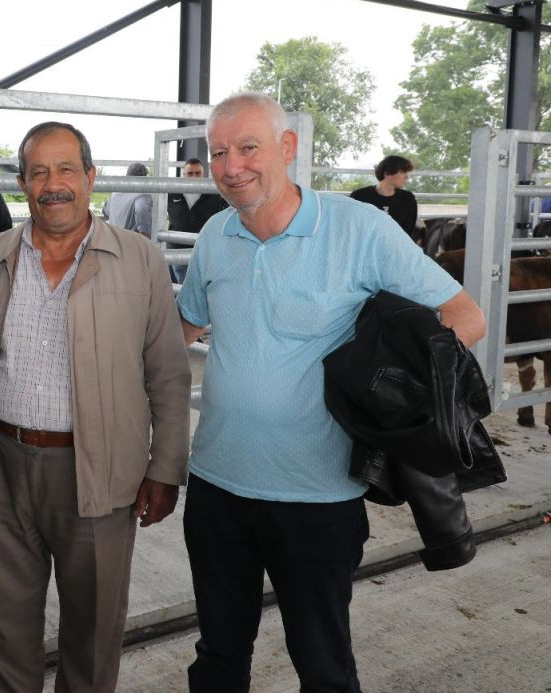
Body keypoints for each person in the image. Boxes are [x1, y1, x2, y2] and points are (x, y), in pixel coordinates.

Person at [176, 92, 485, 693]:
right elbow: (184, 324)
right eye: (218, 152)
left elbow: (464, 315)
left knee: (323, 665)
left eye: (247, 148)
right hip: (216, 489)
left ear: (287, 148)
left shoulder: (358, 228)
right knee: (218, 655)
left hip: (316, 500)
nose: (231, 165)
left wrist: (386, 382)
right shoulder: (215, 234)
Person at [0, 122, 191, 691]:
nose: (53, 184)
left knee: (91, 633)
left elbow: (167, 372)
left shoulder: (137, 260)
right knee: (5, 629)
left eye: (66, 169)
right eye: (38, 172)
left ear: (90, 177)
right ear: (21, 183)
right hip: (5, 470)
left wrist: (165, 468)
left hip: (99, 474)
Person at [167, 157, 226, 282]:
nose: (194, 177)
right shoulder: (172, 193)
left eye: (197, 173)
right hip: (178, 251)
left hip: (205, 252)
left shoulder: (214, 193)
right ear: (183, 175)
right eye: (190, 173)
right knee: (182, 288)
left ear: (203, 174)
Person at [350, 154, 417, 237]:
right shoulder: (359, 197)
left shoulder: (408, 199)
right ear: (387, 174)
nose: (406, 177)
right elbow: (352, 227)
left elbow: (408, 232)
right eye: (402, 172)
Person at [101, 161, 154, 237]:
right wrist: (145, 235)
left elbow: (105, 212)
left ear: (127, 174)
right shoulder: (142, 194)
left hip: (112, 240)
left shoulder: (115, 193)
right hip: (131, 242)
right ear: (144, 177)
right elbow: (141, 209)